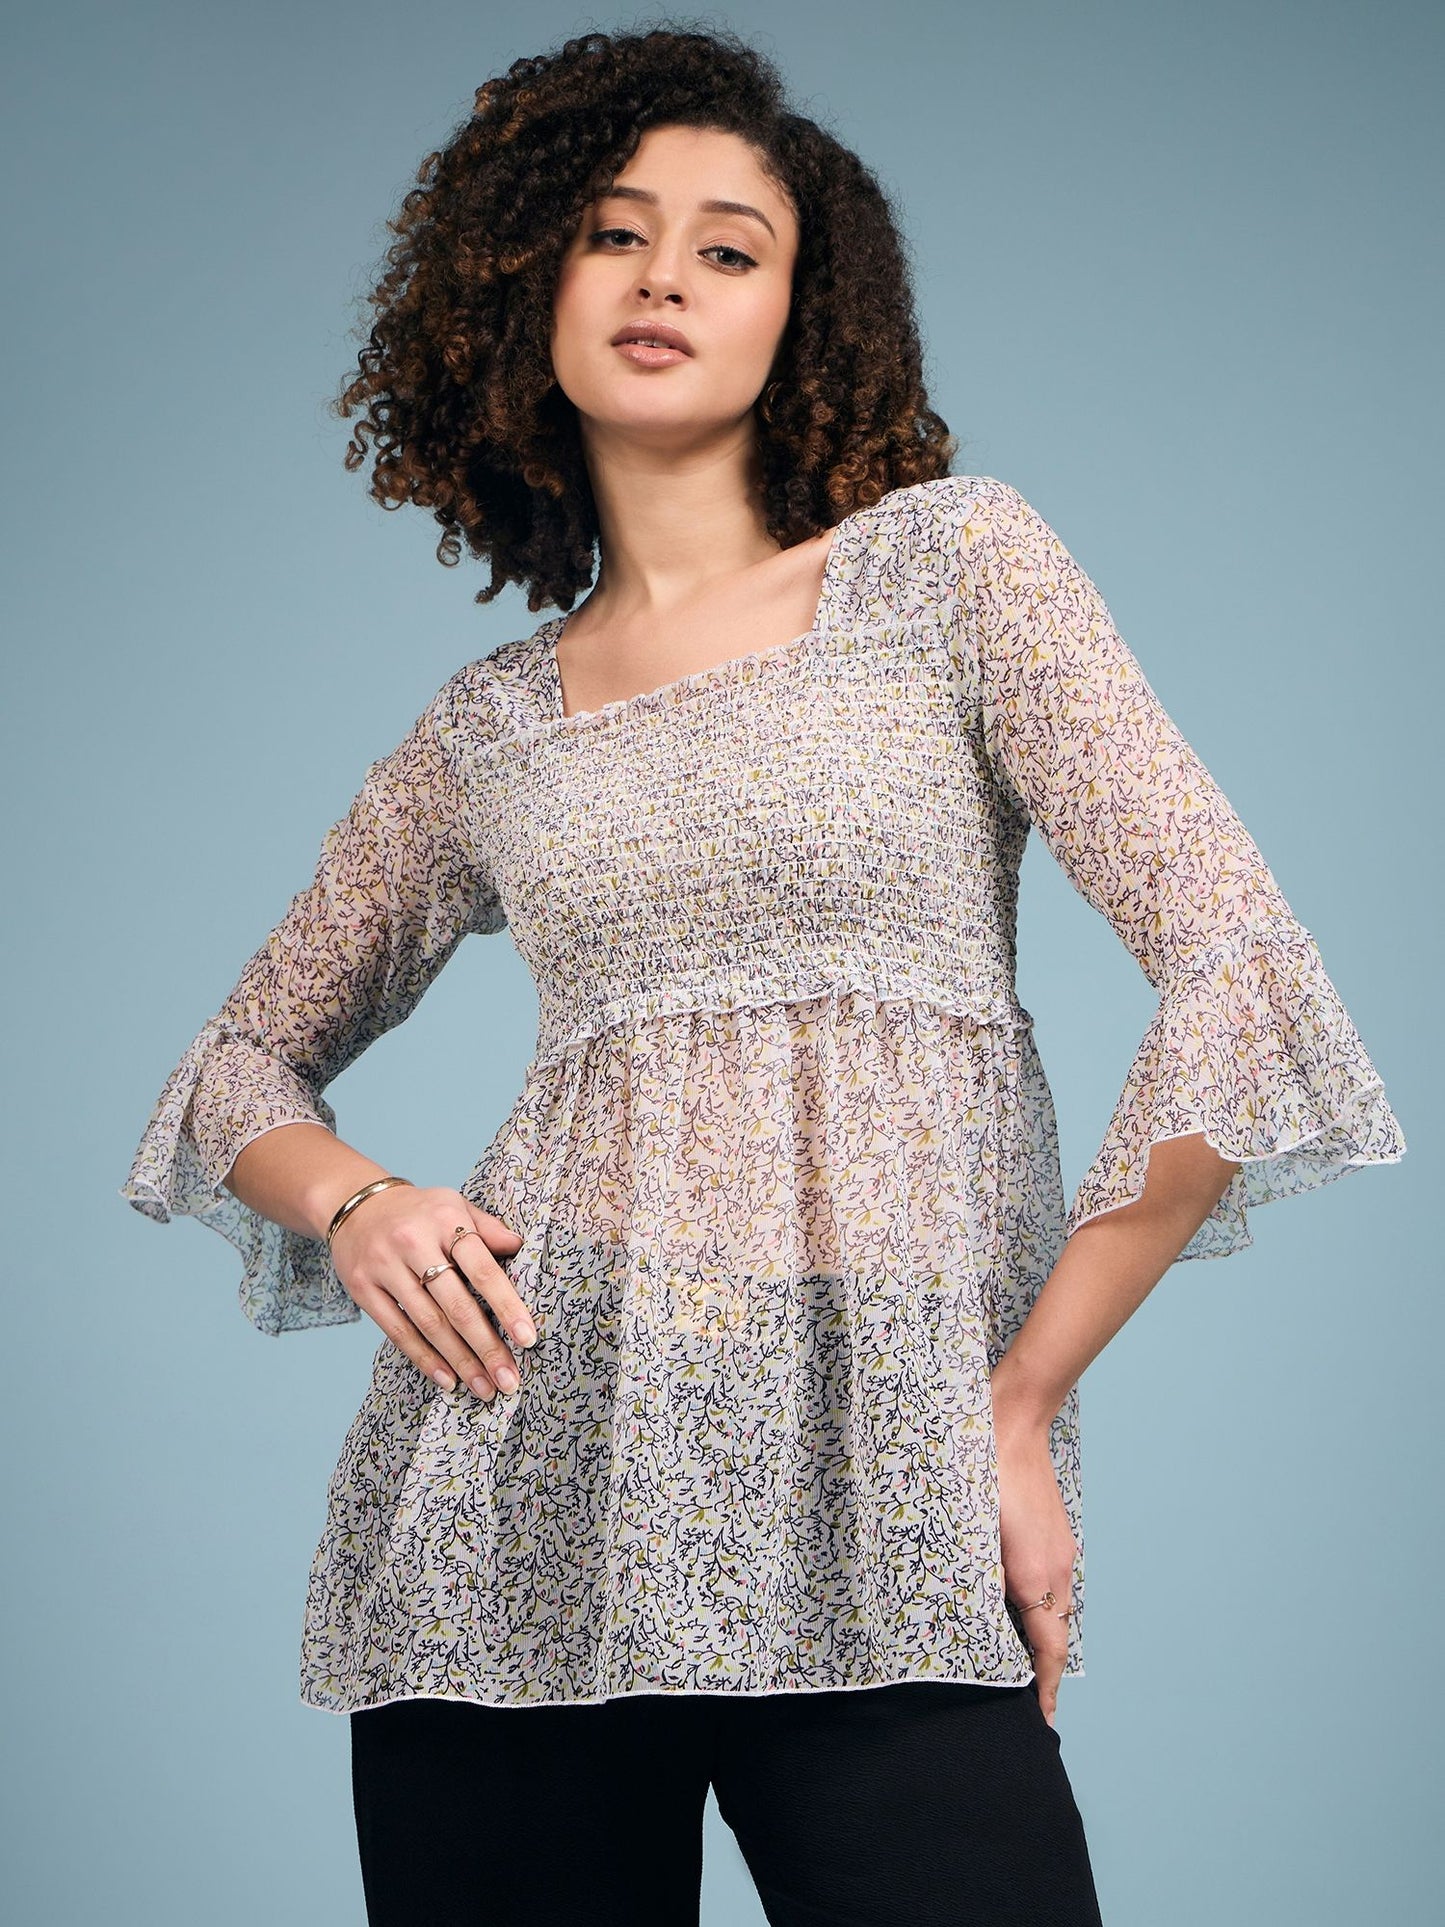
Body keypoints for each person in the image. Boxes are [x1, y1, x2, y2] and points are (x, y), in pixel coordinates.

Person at [119, 24, 1406, 1927]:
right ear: (524, 285)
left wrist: (1016, 1406)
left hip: (887, 1465)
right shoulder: (488, 730)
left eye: (728, 248)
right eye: (613, 232)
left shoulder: (948, 573)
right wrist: (361, 1204)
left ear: (803, 317)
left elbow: (1240, 976)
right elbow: (237, 1063)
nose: (663, 277)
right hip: (523, 1490)